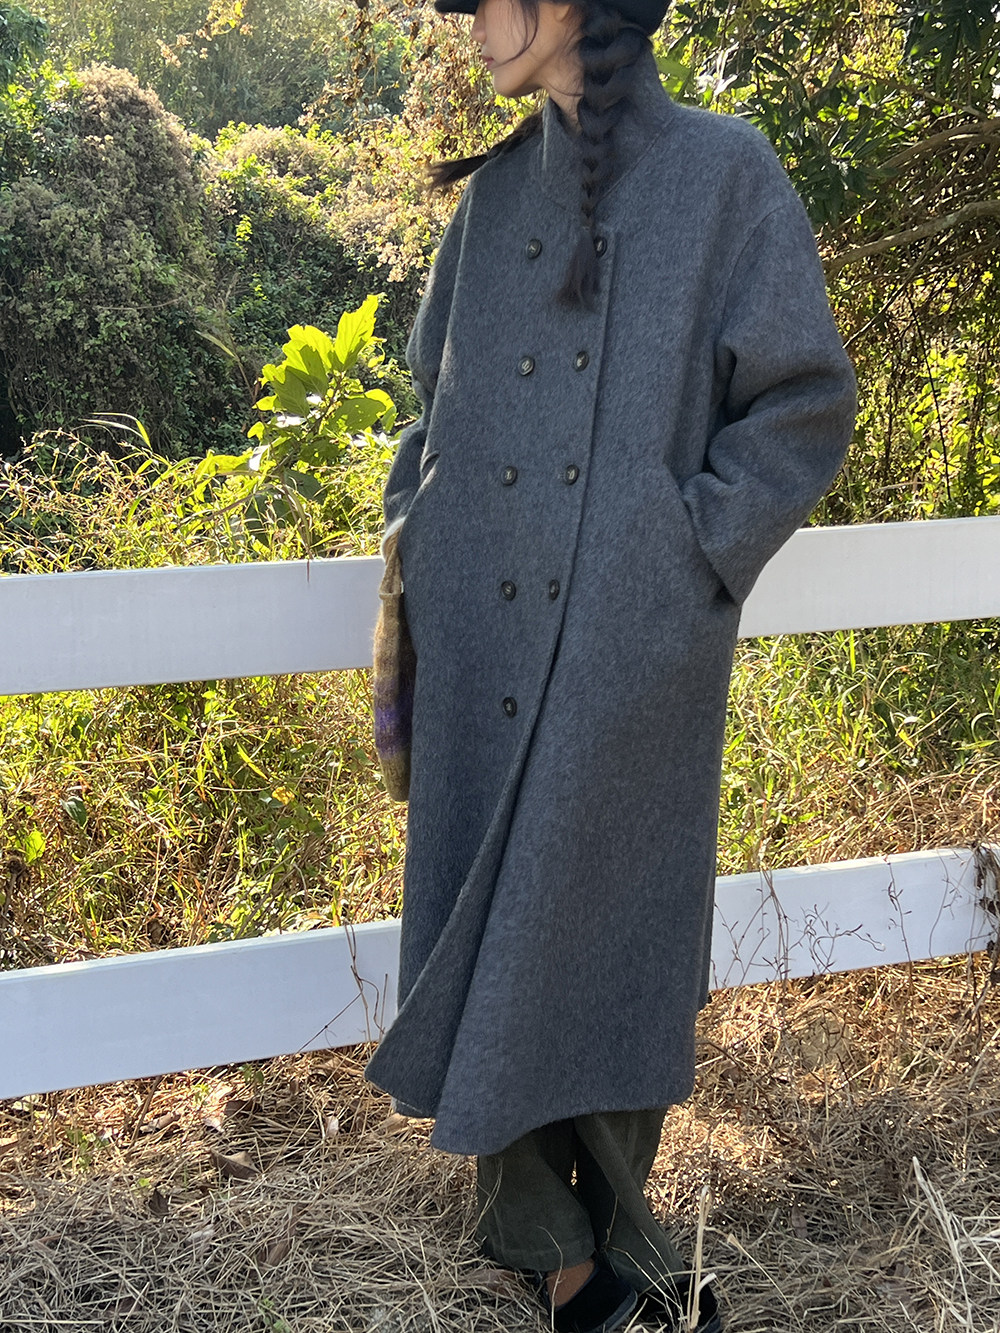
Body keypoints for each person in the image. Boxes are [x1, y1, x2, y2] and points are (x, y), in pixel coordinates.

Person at [364, 0, 857, 1329]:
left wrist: (684, 552)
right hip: (480, 627)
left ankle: (626, 1249)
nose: (468, 20)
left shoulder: (725, 173)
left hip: (631, 642)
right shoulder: (490, 201)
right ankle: (556, 1253)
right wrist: (426, 522)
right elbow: (429, 400)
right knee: (487, 918)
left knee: (610, 933)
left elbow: (805, 400)